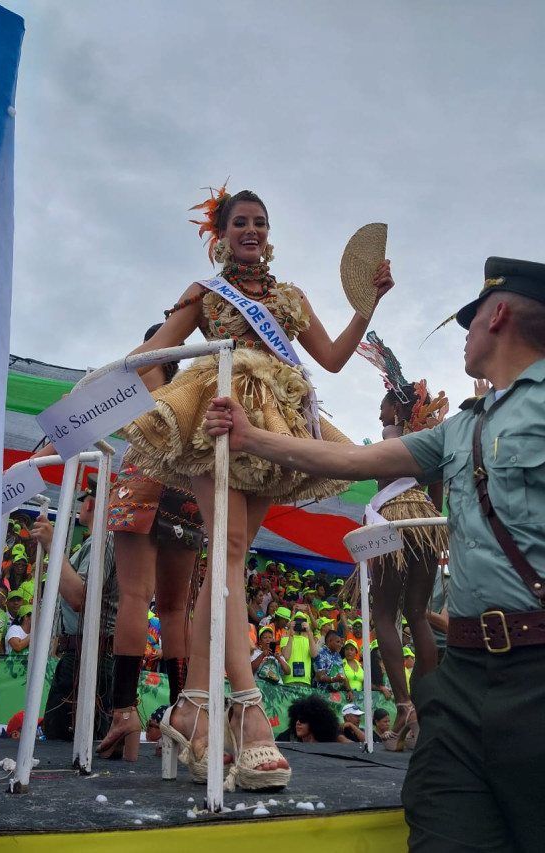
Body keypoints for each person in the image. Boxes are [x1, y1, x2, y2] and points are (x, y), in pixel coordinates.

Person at [204, 256, 545, 849]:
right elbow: (353, 460)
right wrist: (252, 436)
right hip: (462, 676)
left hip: (538, 670)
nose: (464, 335)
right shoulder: (457, 430)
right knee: (441, 827)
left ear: (499, 314)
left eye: (469, 320)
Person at [115, 183, 393, 790]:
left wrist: (367, 307)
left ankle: (192, 705)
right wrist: (104, 387)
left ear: (270, 232)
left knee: (232, 557)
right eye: (241, 221)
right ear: (221, 233)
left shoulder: (290, 296)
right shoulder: (204, 291)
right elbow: (153, 353)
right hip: (211, 407)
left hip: (277, 417)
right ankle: (248, 709)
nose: (252, 231)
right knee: (230, 550)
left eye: (261, 222)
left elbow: (334, 359)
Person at [95, 324, 204, 762]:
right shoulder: (188, 391)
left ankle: (124, 710)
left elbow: (97, 411)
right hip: (185, 487)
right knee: (176, 608)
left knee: (135, 596)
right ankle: (183, 710)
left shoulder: (134, 378)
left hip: (140, 475)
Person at [356, 331, 448, 748]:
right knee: (417, 612)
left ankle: (405, 703)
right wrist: (430, 518)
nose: (379, 415)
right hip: (426, 522)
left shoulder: (392, 437)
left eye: (382, 406)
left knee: (384, 615)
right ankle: (422, 711)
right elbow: (437, 488)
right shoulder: (428, 441)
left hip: (393, 520)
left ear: (395, 406)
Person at [31, 475, 118, 741]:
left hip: (87, 656)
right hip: (87, 653)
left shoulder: (103, 540)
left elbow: (79, 597)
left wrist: (52, 545)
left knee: (61, 740)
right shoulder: (100, 542)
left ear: (90, 504)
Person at [280, 694, 347, 744]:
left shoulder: (326, 750)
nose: (298, 723)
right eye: (295, 720)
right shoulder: (285, 739)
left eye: (303, 719)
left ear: (315, 722)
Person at [280, 612, 318, 686]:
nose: (300, 624)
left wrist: (309, 631)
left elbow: (314, 655)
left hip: (306, 681)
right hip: (289, 680)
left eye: (302, 622)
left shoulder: (309, 641)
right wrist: (291, 633)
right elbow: (286, 656)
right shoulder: (285, 639)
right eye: (297, 621)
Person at [314, 629, 351, 694]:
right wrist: (334, 679)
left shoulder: (338, 656)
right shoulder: (320, 653)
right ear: (330, 641)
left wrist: (349, 690)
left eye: (341, 643)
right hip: (321, 694)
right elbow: (320, 677)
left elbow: (343, 676)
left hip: (337, 695)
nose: (340, 645)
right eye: (337, 642)